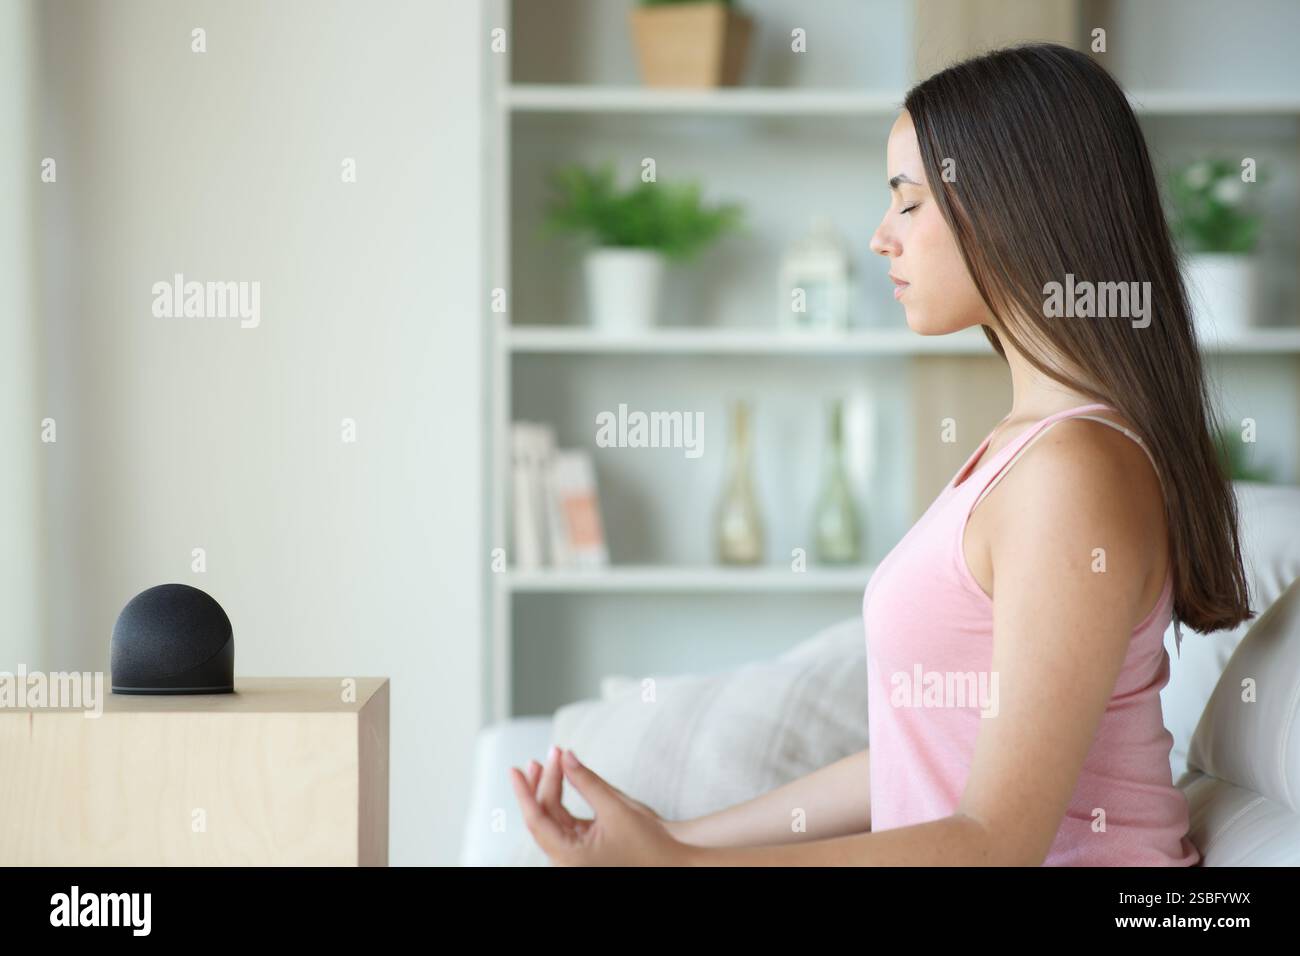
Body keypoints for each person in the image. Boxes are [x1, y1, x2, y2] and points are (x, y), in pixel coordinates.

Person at [509, 42, 1253, 866]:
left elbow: (995, 844)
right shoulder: (1027, 454)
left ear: (1011, 206)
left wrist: (685, 868)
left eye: (907, 202)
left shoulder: (1072, 474)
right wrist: (671, 838)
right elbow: (921, 756)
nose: (879, 238)